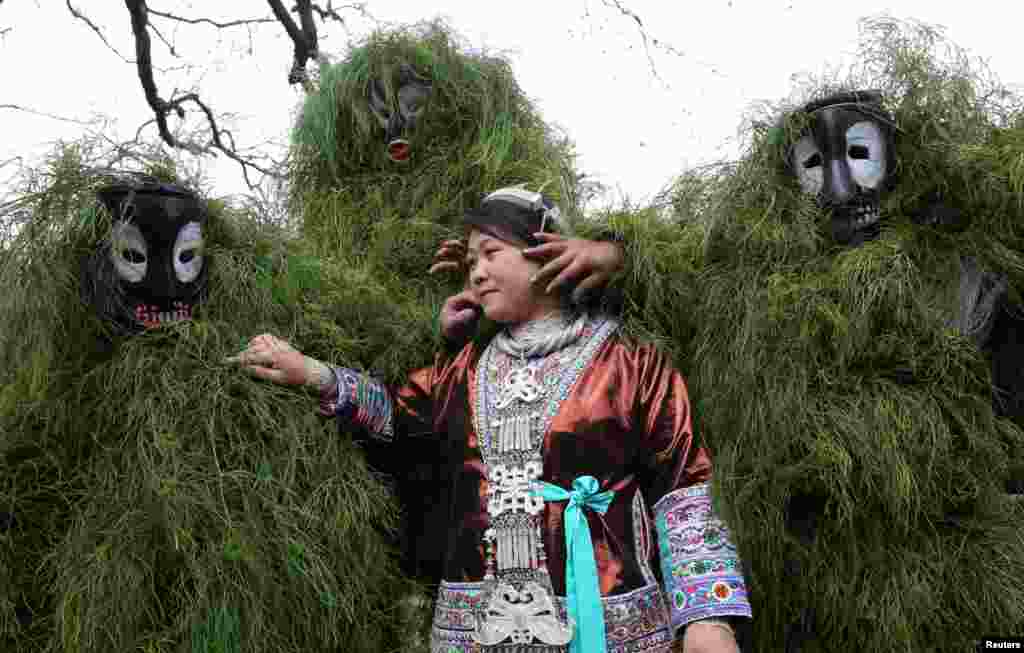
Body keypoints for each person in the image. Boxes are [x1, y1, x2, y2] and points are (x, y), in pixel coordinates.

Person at [227, 187, 751, 653]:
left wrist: (708, 618)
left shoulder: (629, 362)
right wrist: (313, 374)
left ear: (545, 254)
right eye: (469, 264)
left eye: (490, 254)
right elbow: (395, 418)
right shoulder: (462, 369)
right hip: (475, 630)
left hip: (608, 626)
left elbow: (683, 488)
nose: (475, 272)